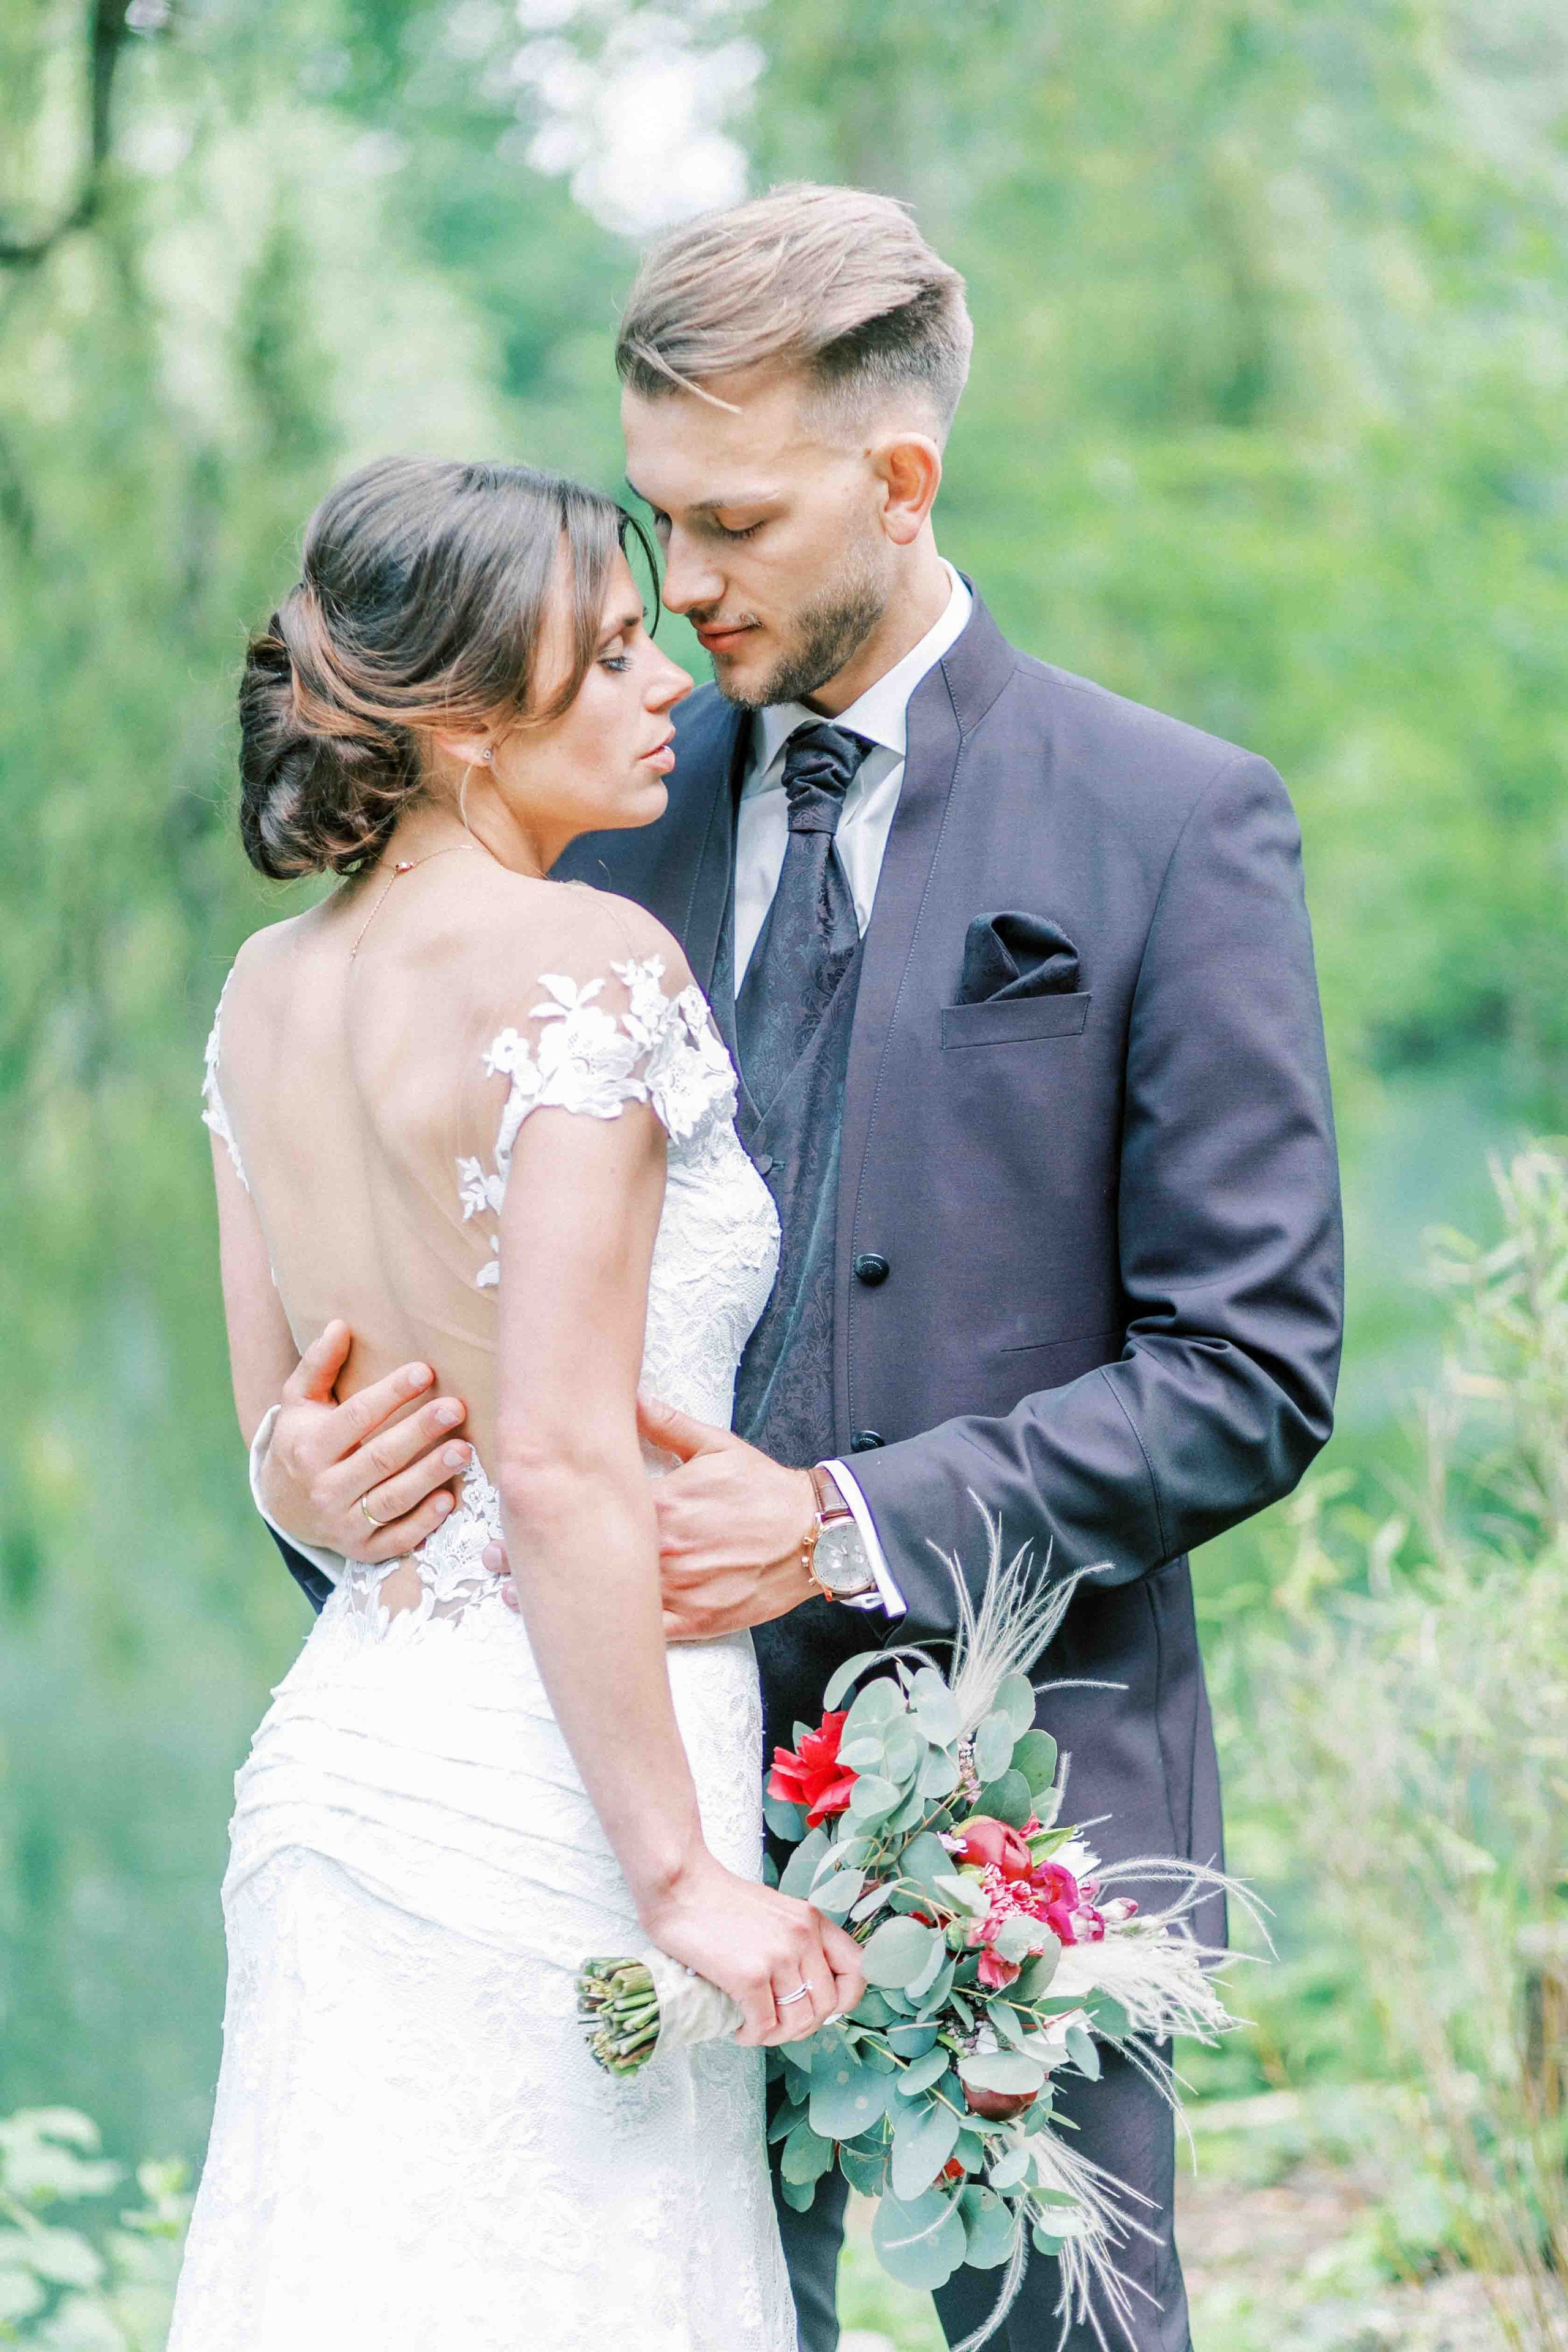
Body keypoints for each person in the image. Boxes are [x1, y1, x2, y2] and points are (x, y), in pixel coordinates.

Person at [255, 187, 1344, 2350]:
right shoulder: (580, 822)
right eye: (657, 522)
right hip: (587, 1791)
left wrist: (837, 1524)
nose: (681, 588)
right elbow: (427, 1293)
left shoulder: (1169, 823)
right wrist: (306, 1494)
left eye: (734, 524)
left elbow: (1250, 1368)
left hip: (1013, 1789)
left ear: (901, 479)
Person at [170, 454, 865, 2352]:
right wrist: (681, 1878)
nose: (671, 687)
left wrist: (300, 1484)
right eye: (616, 655)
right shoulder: (591, 967)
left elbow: (280, 1437)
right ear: (470, 717)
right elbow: (560, 1459)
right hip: (568, 1796)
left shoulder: (257, 991)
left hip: (343, 1761)